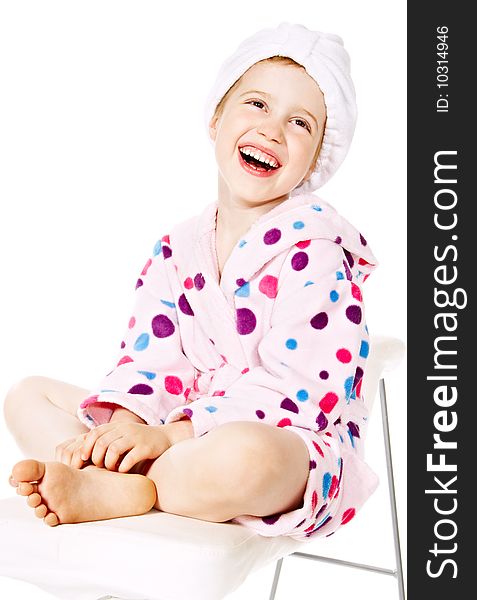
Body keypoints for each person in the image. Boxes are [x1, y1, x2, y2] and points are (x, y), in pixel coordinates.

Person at [4, 22, 379, 541]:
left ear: (316, 160)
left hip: (280, 441)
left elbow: (301, 393)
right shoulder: (176, 250)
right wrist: (130, 424)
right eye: (256, 104)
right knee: (28, 395)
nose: (272, 130)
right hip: (177, 437)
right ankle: (129, 480)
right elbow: (150, 359)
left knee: (247, 455)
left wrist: (177, 432)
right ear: (216, 118)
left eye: (300, 123)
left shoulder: (317, 254)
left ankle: (129, 486)